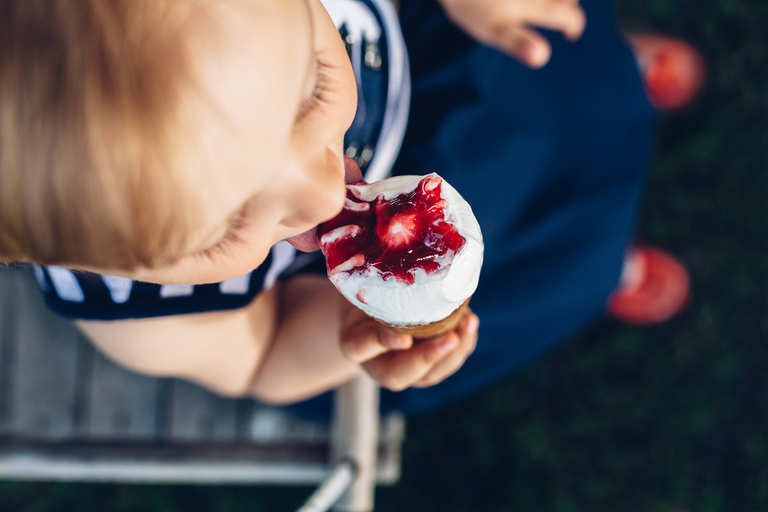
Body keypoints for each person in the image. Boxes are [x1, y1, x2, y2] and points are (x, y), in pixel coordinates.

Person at [0, 0, 687, 414]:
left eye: (309, 91)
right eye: (235, 222)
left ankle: (611, 67)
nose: (326, 193)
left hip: (439, 48)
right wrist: (344, 333)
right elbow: (261, 356)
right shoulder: (137, 315)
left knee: (555, 64)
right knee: (547, 267)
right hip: (377, 264)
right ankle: (598, 260)